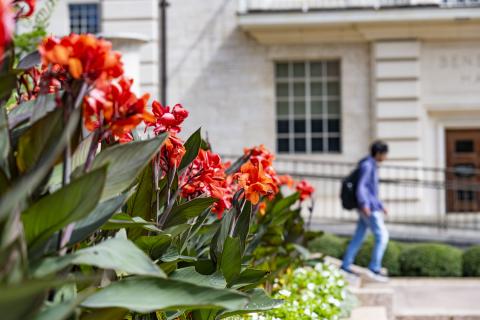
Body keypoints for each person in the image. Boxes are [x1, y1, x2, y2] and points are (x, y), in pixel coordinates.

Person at [341, 141, 390, 282]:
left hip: (370, 206)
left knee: (359, 236)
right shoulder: (368, 166)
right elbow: (362, 187)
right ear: (379, 153)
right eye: (385, 154)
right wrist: (365, 205)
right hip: (368, 208)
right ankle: (374, 268)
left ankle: (345, 265)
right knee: (382, 236)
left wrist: (380, 205)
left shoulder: (370, 165)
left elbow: (371, 190)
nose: (386, 157)